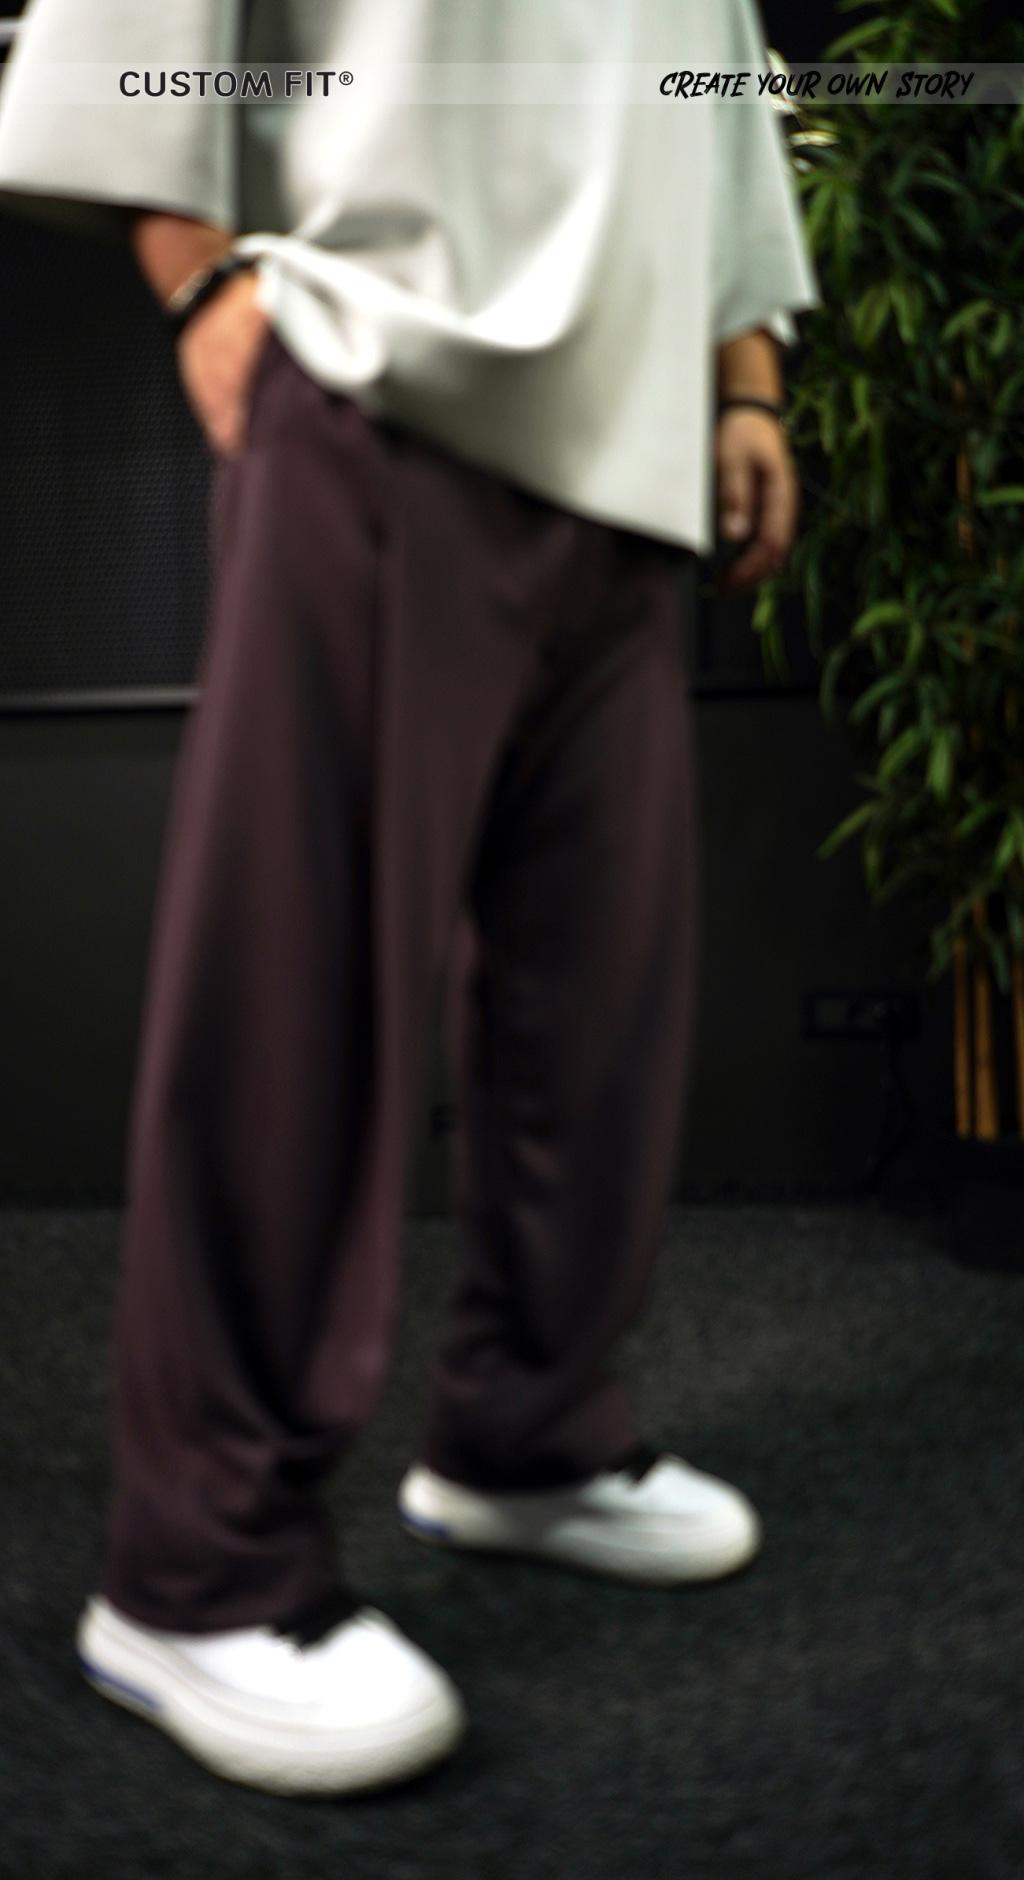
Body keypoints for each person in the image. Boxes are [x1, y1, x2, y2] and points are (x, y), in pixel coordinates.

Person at [0, 0, 820, 1798]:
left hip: (634, 440)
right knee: (305, 996)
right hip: (390, 374)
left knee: (599, 1003)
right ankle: (199, 1567)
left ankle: (530, 1434)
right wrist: (202, 284)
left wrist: (746, 374)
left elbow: (705, 89)